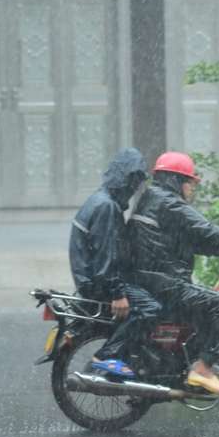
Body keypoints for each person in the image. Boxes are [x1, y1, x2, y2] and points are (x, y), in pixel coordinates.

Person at [128, 152, 219, 395]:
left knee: (208, 305)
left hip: (151, 280)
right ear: (176, 179)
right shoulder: (170, 202)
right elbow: (205, 230)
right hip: (164, 284)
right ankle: (202, 369)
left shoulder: (154, 198)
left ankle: (190, 361)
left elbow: (182, 238)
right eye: (190, 181)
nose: (192, 187)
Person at [68, 148, 161, 378]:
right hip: (98, 283)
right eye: (136, 181)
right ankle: (108, 356)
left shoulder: (102, 200)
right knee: (151, 309)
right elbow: (106, 258)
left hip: (93, 278)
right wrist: (117, 293)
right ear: (126, 179)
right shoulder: (106, 207)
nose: (138, 187)